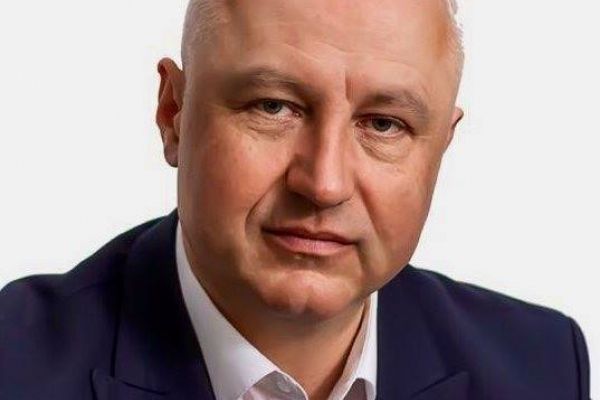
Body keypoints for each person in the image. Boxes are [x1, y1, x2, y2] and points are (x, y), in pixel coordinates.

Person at [0, 0, 591, 399]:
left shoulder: (542, 369)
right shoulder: (13, 365)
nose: (324, 183)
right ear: (173, 113)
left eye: (384, 124)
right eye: (273, 106)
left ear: (442, 146)